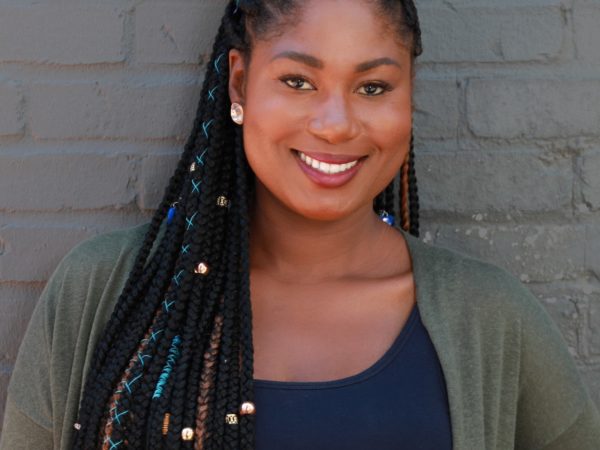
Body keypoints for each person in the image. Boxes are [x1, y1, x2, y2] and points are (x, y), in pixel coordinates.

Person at [1, 0, 599, 449]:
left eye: (372, 86)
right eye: (297, 81)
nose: (335, 124)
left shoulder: (488, 315)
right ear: (239, 82)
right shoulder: (101, 295)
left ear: (408, 96)